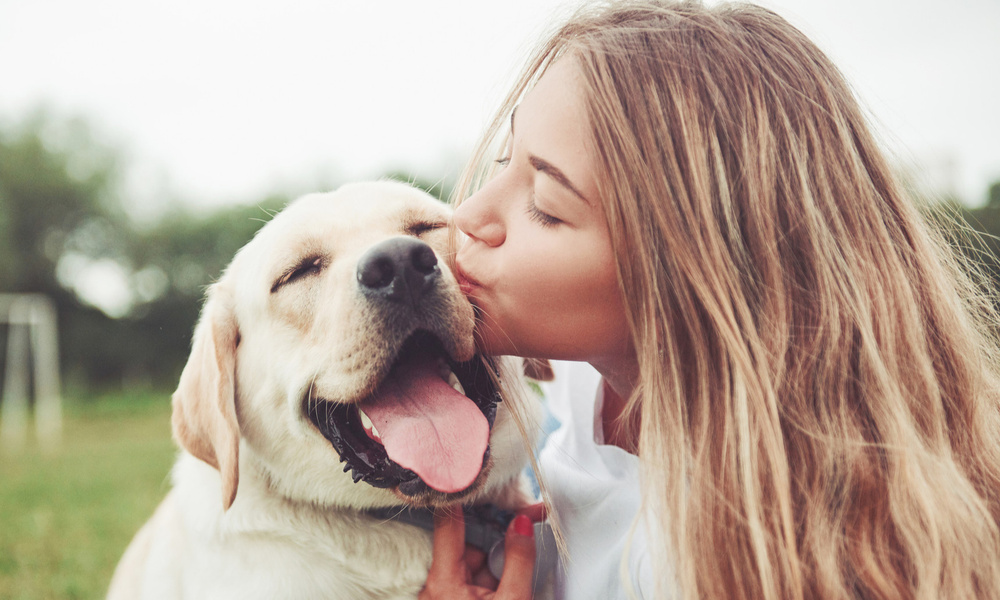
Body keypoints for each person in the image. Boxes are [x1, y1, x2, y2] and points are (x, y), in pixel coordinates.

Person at [420, 1, 1000, 599]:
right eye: (504, 158)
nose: (468, 215)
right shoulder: (593, 380)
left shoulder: (733, 568)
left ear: (686, 277)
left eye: (545, 203)